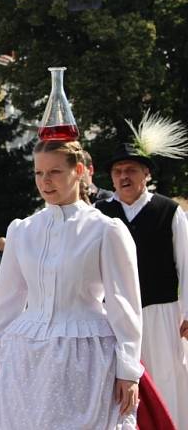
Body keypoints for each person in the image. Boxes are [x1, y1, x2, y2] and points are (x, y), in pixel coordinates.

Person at [0, 139, 143, 429]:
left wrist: (128, 370)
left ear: (78, 170)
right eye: (39, 173)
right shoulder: (23, 230)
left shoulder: (105, 230)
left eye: (54, 172)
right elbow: (6, 301)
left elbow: (124, 303)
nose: (45, 181)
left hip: (85, 357)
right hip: (27, 356)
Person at [94, 120, 188, 429]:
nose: (123, 177)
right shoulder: (102, 214)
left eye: (131, 170)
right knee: (120, 386)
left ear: (146, 174)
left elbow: (186, 263)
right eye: (118, 171)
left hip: (160, 312)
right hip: (115, 315)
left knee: (165, 380)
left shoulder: (168, 211)